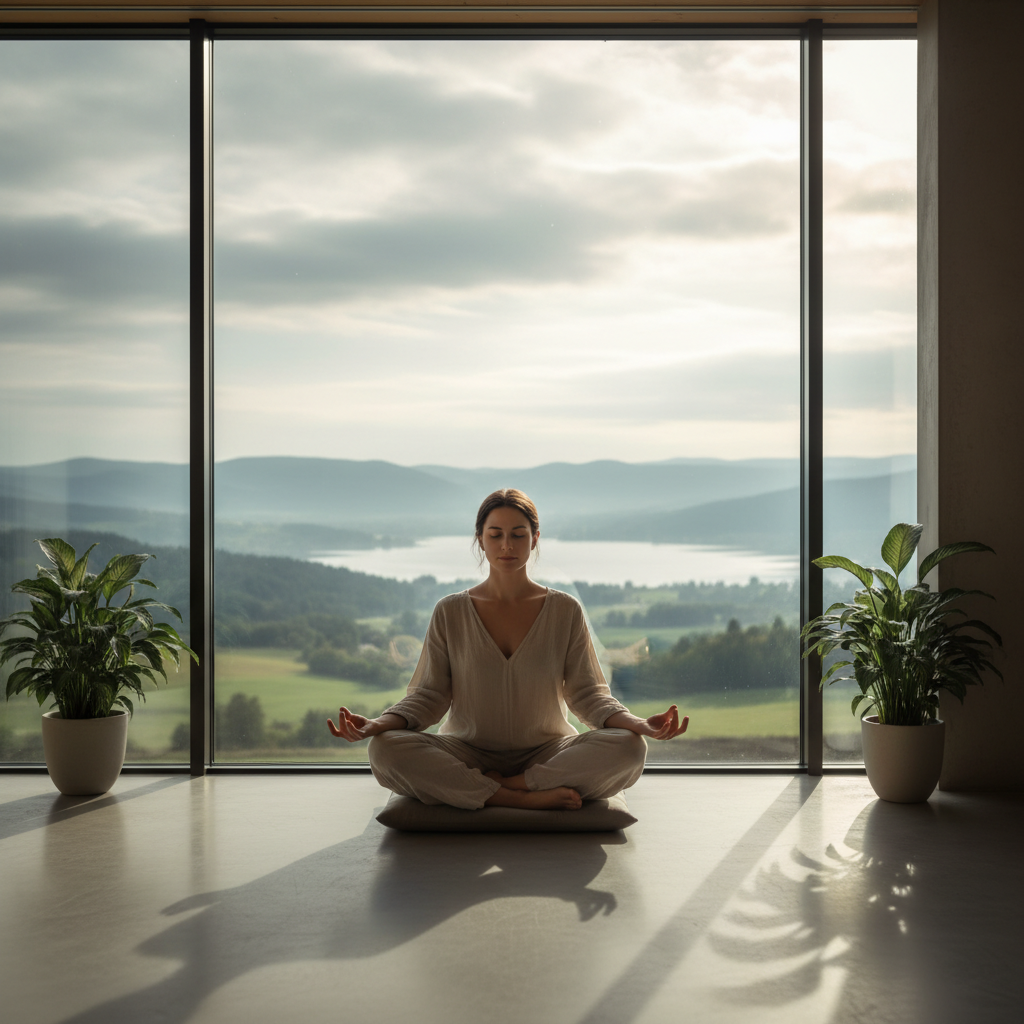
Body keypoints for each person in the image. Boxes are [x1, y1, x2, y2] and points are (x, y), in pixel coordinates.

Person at [328, 489, 689, 811]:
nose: (507, 546)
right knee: (384, 749)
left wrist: (640, 724)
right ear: (480, 541)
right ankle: (516, 797)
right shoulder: (450, 611)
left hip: (548, 752)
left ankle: (502, 787)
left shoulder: (565, 610)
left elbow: (589, 695)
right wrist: (377, 724)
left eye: (519, 535)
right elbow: (428, 697)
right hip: (466, 752)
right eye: (495, 535)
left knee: (630, 748)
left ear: (534, 540)